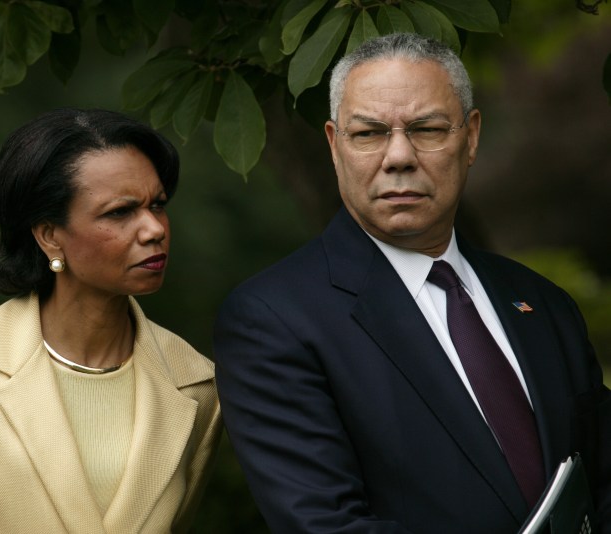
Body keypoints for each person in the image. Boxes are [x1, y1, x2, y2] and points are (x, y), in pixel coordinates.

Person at [213, 32, 610, 533]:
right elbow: (323, 524)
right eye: (369, 133)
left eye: (425, 129)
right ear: (335, 145)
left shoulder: (542, 304)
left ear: (471, 137)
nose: (398, 156)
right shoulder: (273, 320)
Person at [0, 108, 222, 533]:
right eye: (120, 212)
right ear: (49, 234)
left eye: (157, 205)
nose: (153, 229)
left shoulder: (196, 383)